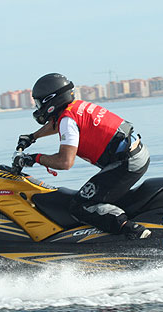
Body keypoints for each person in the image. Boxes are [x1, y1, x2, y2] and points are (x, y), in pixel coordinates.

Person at [15, 73, 151, 240]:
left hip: (127, 162)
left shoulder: (67, 120)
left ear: (50, 100)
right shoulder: (74, 108)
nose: (37, 108)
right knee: (99, 196)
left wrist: (33, 158)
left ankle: (132, 231)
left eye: (38, 103)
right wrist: (32, 137)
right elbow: (56, 125)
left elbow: (65, 162)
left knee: (81, 205)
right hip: (134, 154)